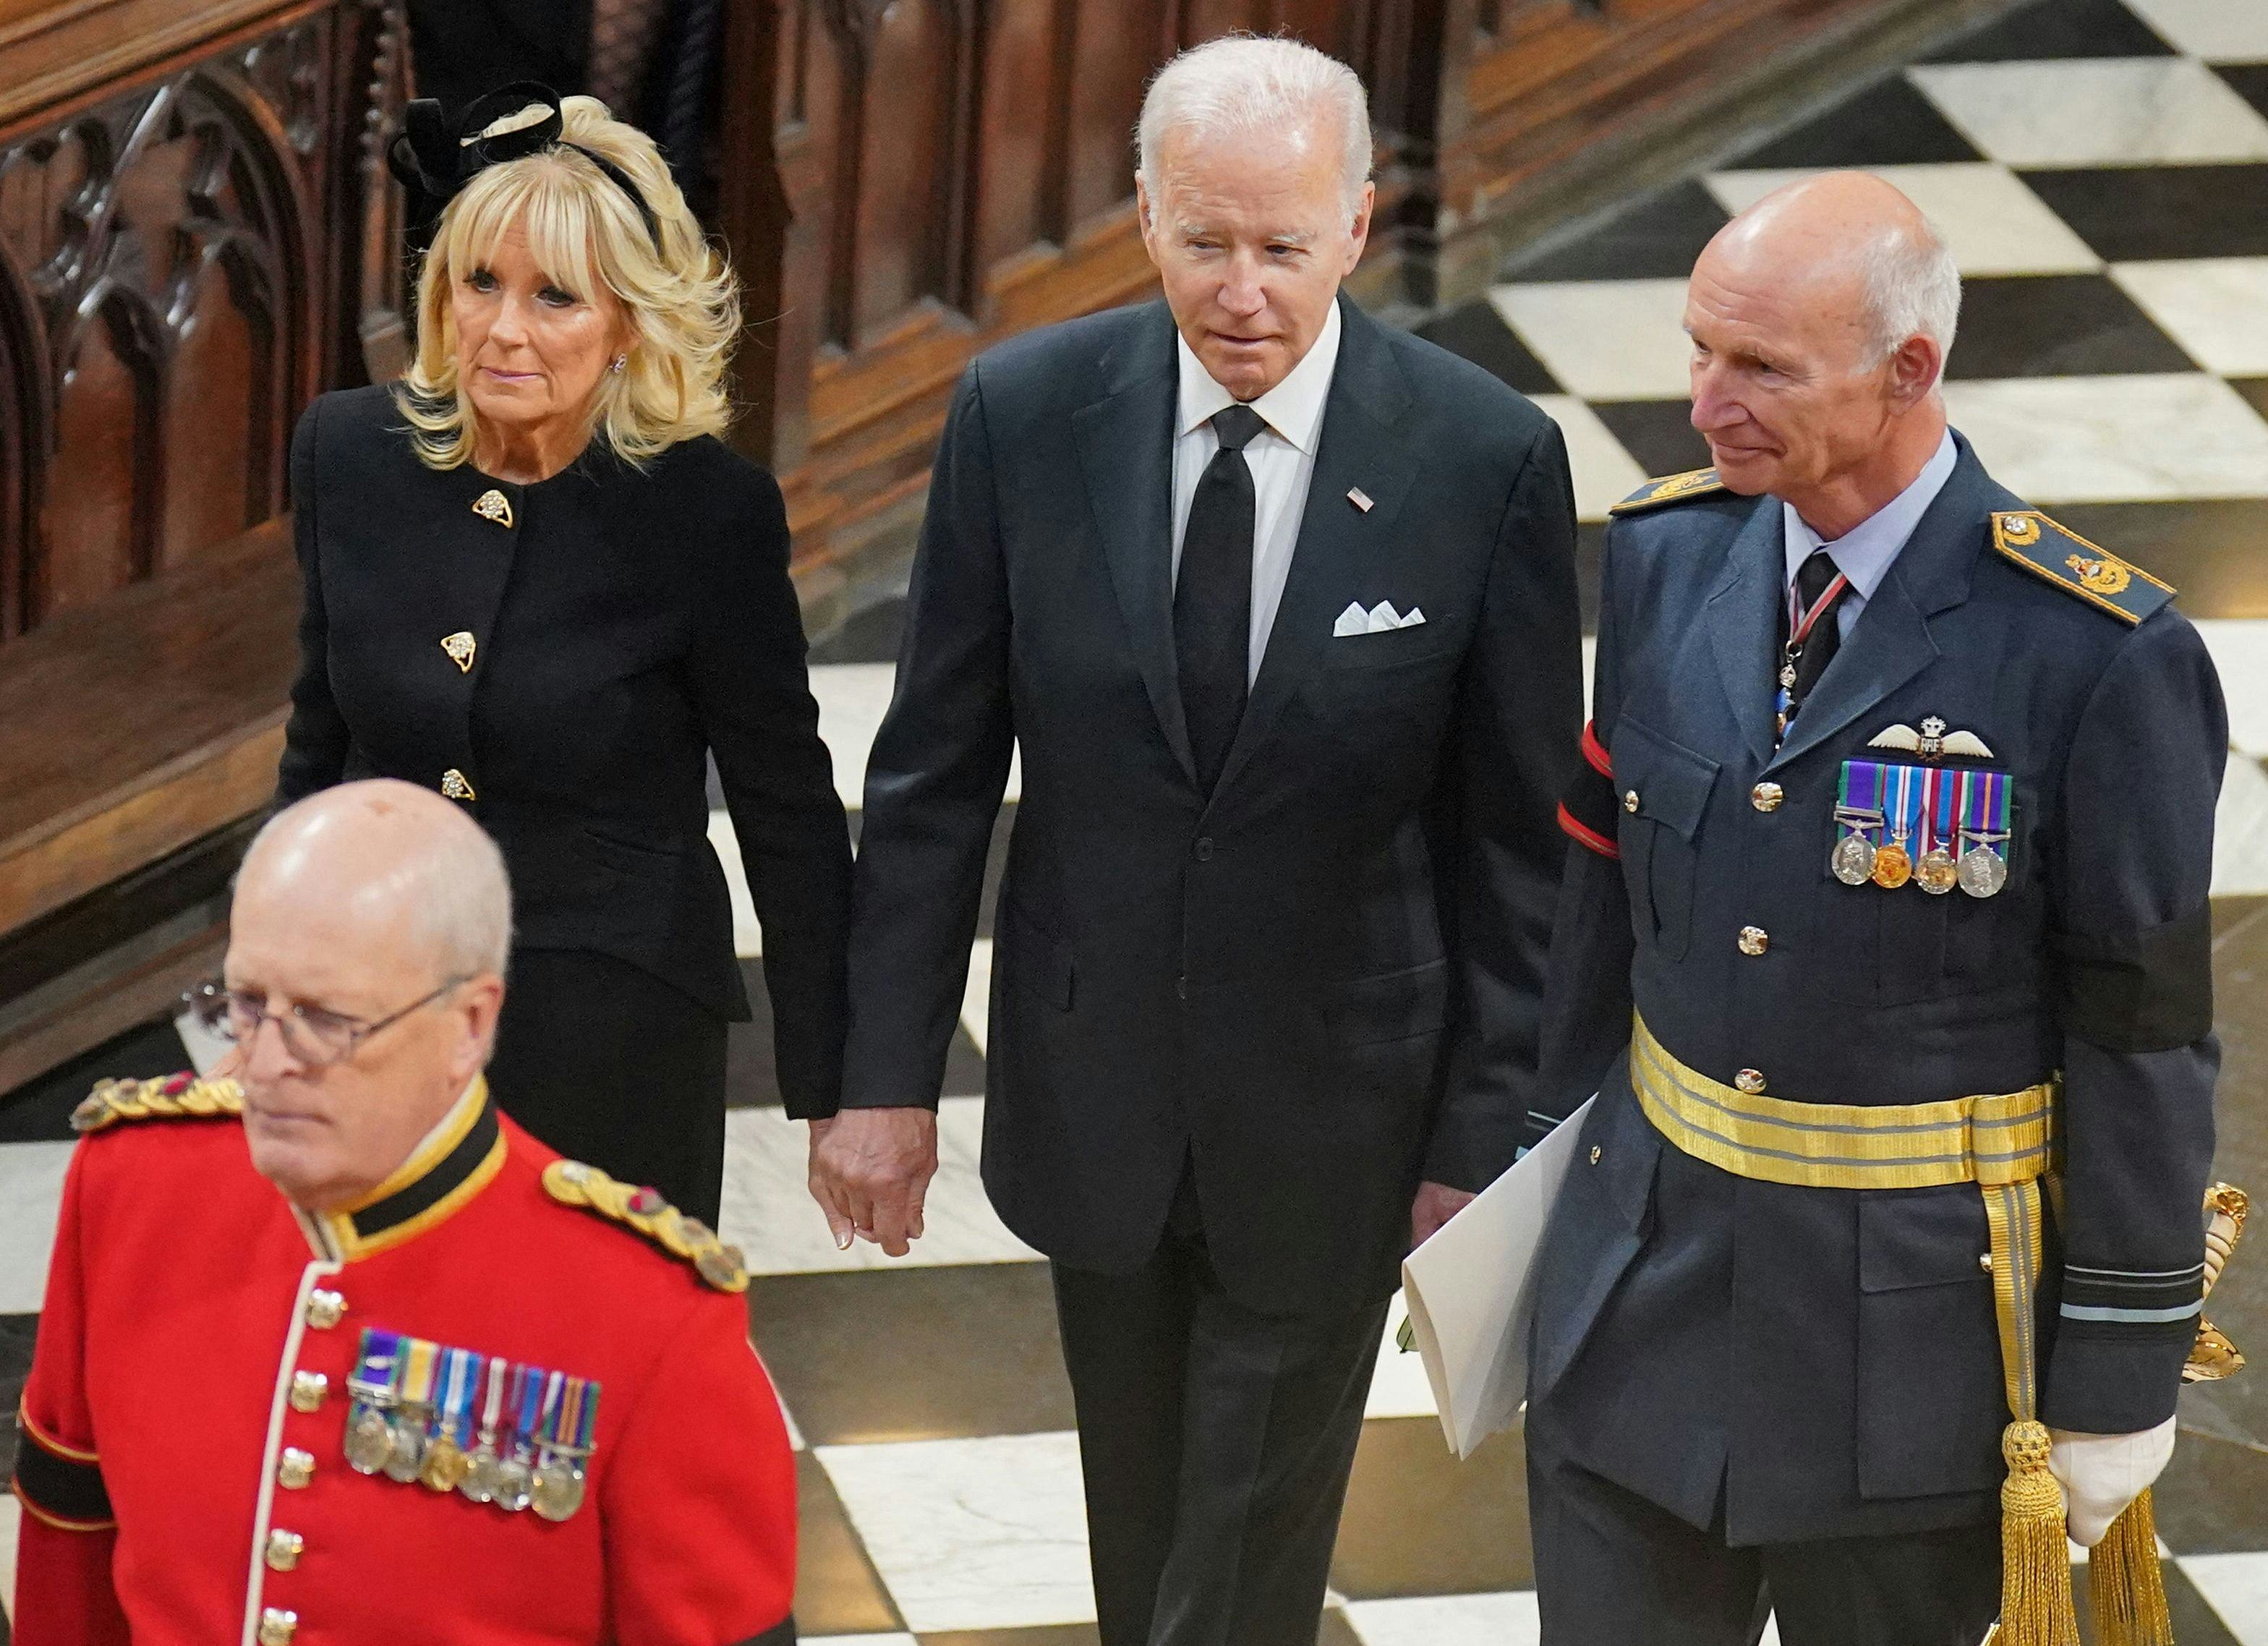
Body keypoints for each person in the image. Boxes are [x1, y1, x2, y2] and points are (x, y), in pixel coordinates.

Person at [811, 36, 1583, 1646]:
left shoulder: (1478, 454)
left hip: (1341, 1112)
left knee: (1237, 1546)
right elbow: (934, 775)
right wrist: (880, 1080)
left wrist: (1478, 1138)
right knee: (1144, 1510)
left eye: (1284, 248)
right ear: (1144, 215)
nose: (1242, 291)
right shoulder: (1020, 416)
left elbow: (1515, 848)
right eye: (1203, 241)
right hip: (1092, 1094)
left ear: (1357, 227)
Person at [1526, 172, 2224, 1645]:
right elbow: (1598, 910)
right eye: (1695, 347)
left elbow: (2140, 1033)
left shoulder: (2088, 654)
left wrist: (2116, 1371)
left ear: (1908, 369)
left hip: (1910, 1365)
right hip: (1635, 1304)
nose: (1702, 402)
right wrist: (1519, 1191)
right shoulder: (1662, 560)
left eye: (1758, 366)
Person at [8, 780, 797, 1645]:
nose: (264, 1062)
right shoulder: (134, 1185)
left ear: (469, 1021)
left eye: (324, 1019)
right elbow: (69, 1540)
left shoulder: (650, 1319)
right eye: (246, 1003)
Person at [277, 85, 851, 1227]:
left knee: (583, 1385)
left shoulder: (707, 515)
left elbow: (788, 811)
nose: (504, 328)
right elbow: (316, 745)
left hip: (613, 1037)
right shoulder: (348, 454)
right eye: (480, 282)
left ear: (630, 322)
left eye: (556, 298)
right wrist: (271, 995)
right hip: (380, 1021)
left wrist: (845, 1091)